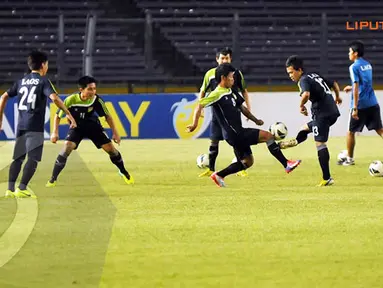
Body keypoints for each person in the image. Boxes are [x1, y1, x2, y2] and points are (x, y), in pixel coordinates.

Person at [187, 63, 301, 187]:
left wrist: (255, 120)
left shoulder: (231, 91)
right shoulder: (216, 94)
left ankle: (219, 175)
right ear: (223, 78)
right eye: (231, 76)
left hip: (236, 133)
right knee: (268, 136)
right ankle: (286, 164)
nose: (233, 79)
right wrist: (194, 124)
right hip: (234, 134)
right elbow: (200, 104)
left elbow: (242, 108)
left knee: (247, 162)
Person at [0, 50, 76, 198]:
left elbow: (3, 97)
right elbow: (54, 99)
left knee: (18, 158)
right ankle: (22, 188)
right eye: (47, 64)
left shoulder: (21, 81)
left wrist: (0, 119)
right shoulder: (43, 81)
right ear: (43, 65)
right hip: (34, 125)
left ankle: (9, 189)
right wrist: (68, 113)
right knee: (33, 158)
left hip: (21, 125)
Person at [45, 76, 134, 187]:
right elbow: (58, 116)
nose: (93, 91)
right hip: (77, 127)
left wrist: (115, 133)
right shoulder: (71, 100)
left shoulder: (96, 100)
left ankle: (123, 171)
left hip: (93, 126)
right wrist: (55, 132)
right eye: (90, 89)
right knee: (67, 147)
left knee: (112, 150)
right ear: (81, 89)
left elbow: (108, 116)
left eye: (94, 89)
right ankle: (53, 179)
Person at [279, 55, 342, 186]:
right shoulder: (314, 75)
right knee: (305, 128)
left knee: (320, 144)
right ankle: (296, 141)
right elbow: (334, 83)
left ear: (299, 70)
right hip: (332, 112)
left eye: (291, 72)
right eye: (288, 73)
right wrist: (338, 97)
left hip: (322, 114)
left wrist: (301, 106)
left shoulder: (303, 80)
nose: (290, 75)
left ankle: (327, 178)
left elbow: (306, 94)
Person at [196, 47, 251, 178]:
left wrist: (248, 107)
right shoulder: (210, 74)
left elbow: (244, 91)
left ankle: (241, 167)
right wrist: (201, 108)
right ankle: (211, 169)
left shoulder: (236, 74)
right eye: (222, 58)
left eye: (227, 58)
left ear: (230, 59)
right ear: (217, 59)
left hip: (233, 112)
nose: (224, 60)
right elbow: (203, 91)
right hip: (217, 113)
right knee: (214, 141)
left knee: (236, 140)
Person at [339, 41, 383, 165]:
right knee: (380, 130)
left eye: (350, 52)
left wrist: (355, 107)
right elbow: (365, 84)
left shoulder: (353, 67)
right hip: (373, 102)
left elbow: (357, 85)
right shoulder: (368, 65)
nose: (349, 54)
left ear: (355, 53)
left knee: (350, 132)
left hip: (361, 105)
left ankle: (349, 159)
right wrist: (351, 87)